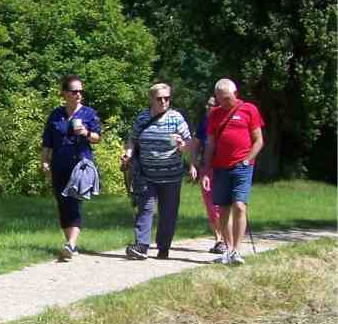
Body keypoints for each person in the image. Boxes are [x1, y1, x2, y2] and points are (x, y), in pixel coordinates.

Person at [121, 83, 195, 260]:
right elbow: (132, 140)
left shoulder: (176, 118)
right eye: (159, 98)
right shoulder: (142, 118)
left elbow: (190, 144)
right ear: (151, 99)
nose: (163, 101)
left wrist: (182, 146)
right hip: (146, 175)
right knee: (145, 209)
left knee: (168, 212)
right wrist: (128, 154)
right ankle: (141, 246)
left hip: (171, 176)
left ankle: (164, 247)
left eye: (167, 98)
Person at [198, 78, 265, 264]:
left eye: (227, 98)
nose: (223, 102)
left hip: (242, 166)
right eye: (220, 99)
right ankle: (228, 250)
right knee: (223, 209)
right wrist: (205, 170)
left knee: (240, 205)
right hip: (220, 168)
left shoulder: (249, 109)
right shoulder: (214, 115)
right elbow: (210, 144)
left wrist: (247, 159)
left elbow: (259, 140)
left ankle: (237, 249)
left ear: (235, 94)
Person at [42, 75, 103, 260]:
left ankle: (71, 244)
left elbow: (98, 138)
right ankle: (70, 245)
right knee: (62, 203)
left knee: (74, 201)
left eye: (80, 91)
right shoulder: (56, 115)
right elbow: (47, 141)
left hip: (81, 164)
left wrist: (86, 132)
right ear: (65, 93)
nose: (78, 95)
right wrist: (44, 161)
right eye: (74, 91)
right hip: (59, 164)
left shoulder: (89, 114)